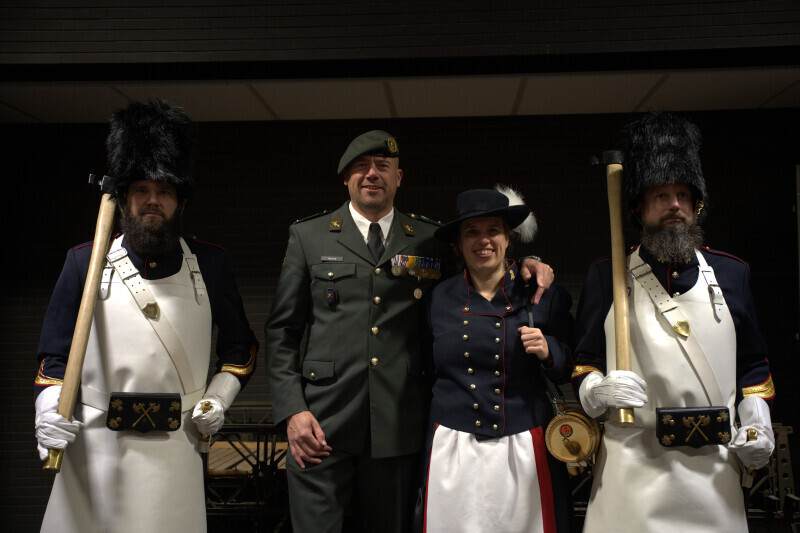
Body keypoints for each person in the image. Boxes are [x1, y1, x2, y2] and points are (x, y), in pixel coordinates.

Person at [265, 130, 554, 533]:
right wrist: (292, 411)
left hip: (398, 425)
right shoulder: (308, 236)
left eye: (383, 166)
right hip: (321, 423)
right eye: (361, 167)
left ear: (398, 178)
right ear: (346, 178)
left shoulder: (428, 239)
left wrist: (527, 262)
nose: (372, 174)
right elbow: (282, 331)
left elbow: (482, 266)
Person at [33, 99, 258, 533]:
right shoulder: (83, 262)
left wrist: (218, 398)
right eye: (141, 190)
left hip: (176, 450)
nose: (153, 200)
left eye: (165, 191)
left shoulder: (211, 265)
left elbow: (240, 348)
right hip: (95, 450)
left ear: (180, 201)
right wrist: (48, 410)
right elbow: (52, 359)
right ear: (123, 199)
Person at [572, 111, 775, 532]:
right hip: (633, 470)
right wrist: (595, 391)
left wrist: (758, 422)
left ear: (696, 203)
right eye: (661, 195)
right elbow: (584, 362)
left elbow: (753, 366)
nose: (674, 205)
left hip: (714, 474)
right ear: (639, 206)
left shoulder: (732, 273)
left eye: (683, 194)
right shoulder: (607, 275)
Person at [422, 187, 575, 533]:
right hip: (453, 448)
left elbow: (570, 365)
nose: (483, 240)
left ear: (508, 239)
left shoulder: (541, 293)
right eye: (471, 232)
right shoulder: (437, 299)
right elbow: (427, 371)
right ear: (459, 243)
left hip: (525, 445)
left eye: (493, 230)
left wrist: (549, 350)